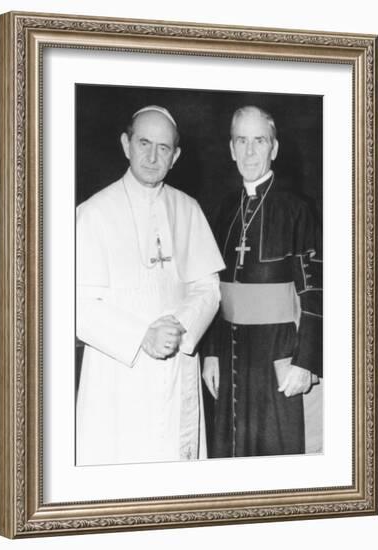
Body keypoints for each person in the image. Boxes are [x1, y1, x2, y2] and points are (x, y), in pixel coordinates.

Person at [76, 105, 225, 466]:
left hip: (177, 367)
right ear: (126, 144)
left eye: (163, 148)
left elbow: (208, 288)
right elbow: (74, 303)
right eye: (144, 143)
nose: (152, 156)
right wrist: (142, 334)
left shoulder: (188, 209)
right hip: (117, 375)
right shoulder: (93, 213)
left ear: (175, 157)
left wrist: (179, 327)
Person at [203, 105, 322, 457]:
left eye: (259, 141)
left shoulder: (297, 208)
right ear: (231, 148)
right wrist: (211, 355)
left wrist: (306, 361)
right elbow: (213, 287)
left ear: (274, 148)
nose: (250, 151)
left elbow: (315, 290)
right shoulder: (223, 209)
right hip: (229, 352)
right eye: (242, 140)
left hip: (278, 353)